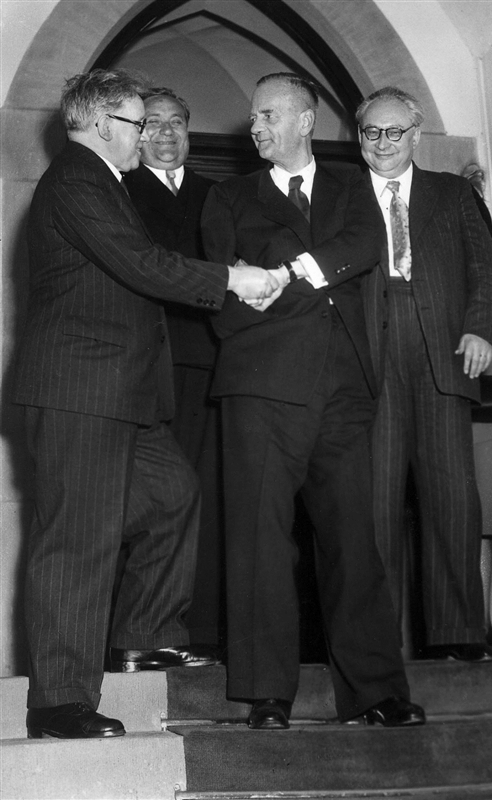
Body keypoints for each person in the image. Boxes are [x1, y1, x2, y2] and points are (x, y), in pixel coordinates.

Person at [11, 68, 281, 740]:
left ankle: (143, 636)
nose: (145, 135)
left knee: (171, 496)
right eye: (137, 122)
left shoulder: (101, 180)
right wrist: (232, 278)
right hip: (81, 389)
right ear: (105, 123)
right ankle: (59, 700)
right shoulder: (77, 178)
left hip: (120, 392)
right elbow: (140, 263)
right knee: (76, 541)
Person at [201, 72, 425, 730]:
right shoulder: (228, 196)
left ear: (306, 121)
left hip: (343, 388)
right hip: (261, 385)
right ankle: (266, 693)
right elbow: (221, 290)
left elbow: (365, 247)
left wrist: (283, 273)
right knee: (260, 543)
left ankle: (376, 690)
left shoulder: (353, 186)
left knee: (354, 540)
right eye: (253, 118)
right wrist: (301, 278)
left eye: (268, 114)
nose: (256, 127)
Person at [356, 86, 492, 662]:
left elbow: (483, 270)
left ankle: (459, 635)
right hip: (372, 357)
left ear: (416, 136)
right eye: (372, 132)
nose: (383, 142)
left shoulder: (452, 193)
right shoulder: (341, 195)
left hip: (444, 349)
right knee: (374, 504)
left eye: (395, 131)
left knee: (452, 500)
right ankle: (377, 644)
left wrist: (479, 329)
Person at [124, 88, 223, 649]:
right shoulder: (118, 191)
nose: (166, 133)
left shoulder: (218, 194)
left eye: (176, 122)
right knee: (160, 502)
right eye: (154, 123)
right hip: (149, 367)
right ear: (137, 134)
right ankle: (145, 631)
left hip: (211, 362)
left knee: (207, 496)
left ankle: (200, 633)